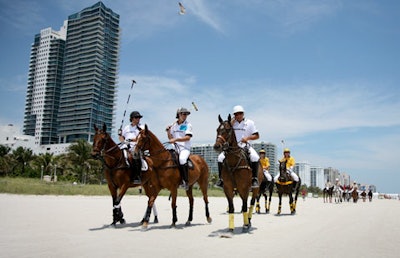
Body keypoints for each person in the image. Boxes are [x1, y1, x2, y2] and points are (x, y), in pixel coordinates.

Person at [215, 105, 260, 189]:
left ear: (243, 114)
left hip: (245, 146)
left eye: (240, 113)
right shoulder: (232, 123)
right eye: (236, 114)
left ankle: (254, 179)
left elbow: (257, 136)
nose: (238, 115)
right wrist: (230, 122)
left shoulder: (250, 123)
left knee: (255, 157)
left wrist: (247, 138)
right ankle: (221, 179)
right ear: (234, 115)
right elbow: (225, 129)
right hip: (232, 147)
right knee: (220, 158)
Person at [166, 107, 193, 190]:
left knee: (182, 159)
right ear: (179, 114)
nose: (185, 116)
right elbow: (171, 138)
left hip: (184, 148)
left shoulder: (188, 125)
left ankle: (185, 181)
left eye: (186, 114)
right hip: (175, 148)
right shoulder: (174, 125)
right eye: (184, 114)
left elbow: (188, 137)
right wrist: (168, 131)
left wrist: (176, 139)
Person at [118, 111, 144, 184]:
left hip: (135, 146)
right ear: (132, 118)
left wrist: (130, 140)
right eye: (136, 117)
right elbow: (121, 138)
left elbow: (140, 138)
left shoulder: (141, 127)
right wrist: (121, 137)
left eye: (139, 117)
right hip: (125, 145)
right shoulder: (126, 127)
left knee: (135, 156)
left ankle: (137, 176)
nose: (138, 119)